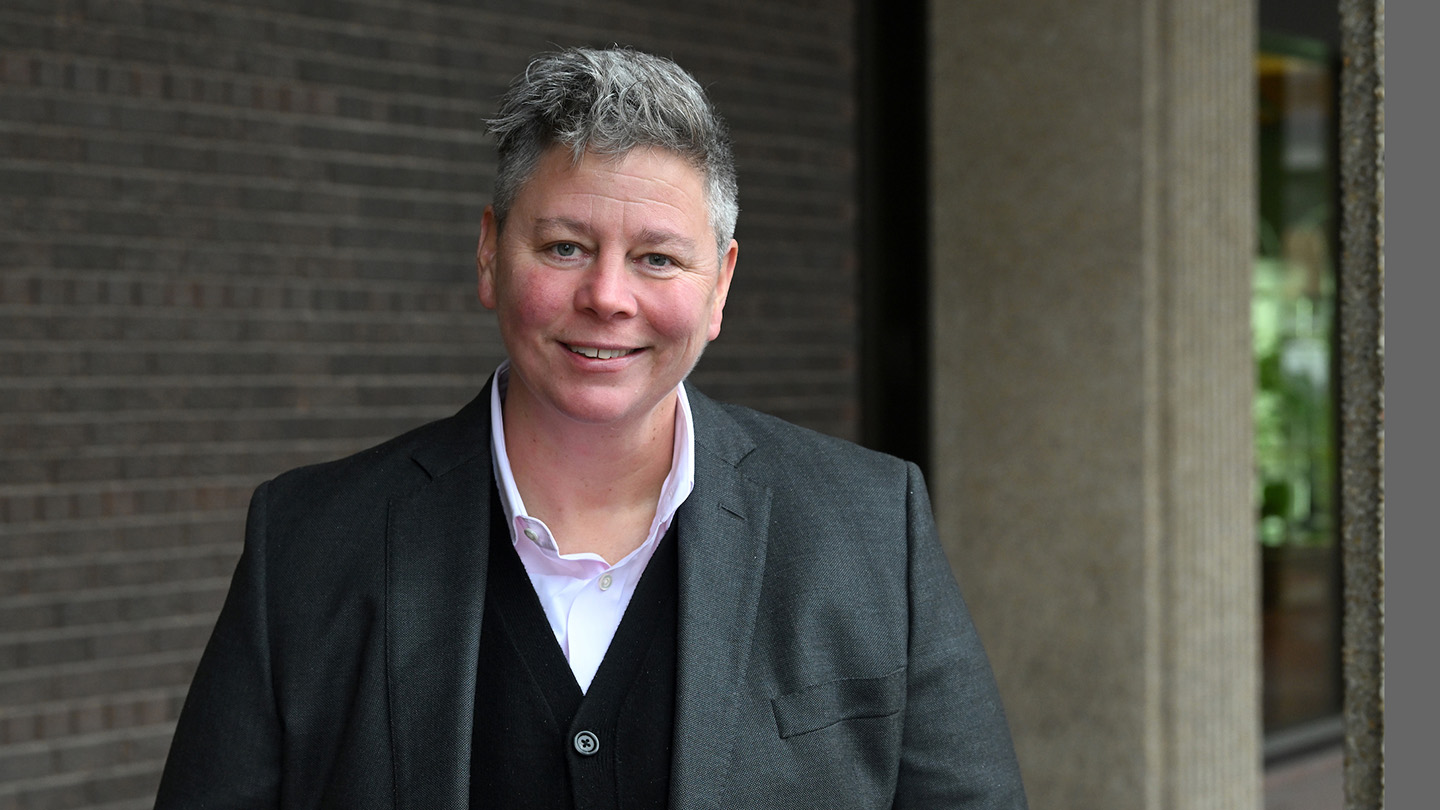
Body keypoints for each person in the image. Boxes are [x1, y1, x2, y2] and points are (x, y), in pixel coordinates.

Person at [154, 46, 1027, 810]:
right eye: (566, 246)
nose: (608, 296)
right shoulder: (309, 545)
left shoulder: (871, 527)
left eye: (657, 257)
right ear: (491, 253)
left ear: (719, 285)